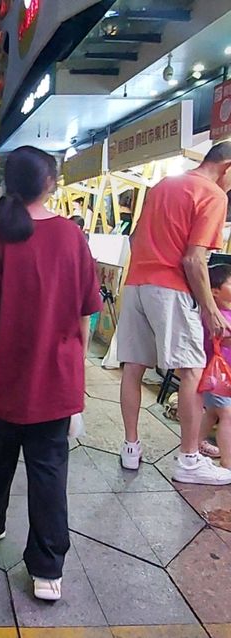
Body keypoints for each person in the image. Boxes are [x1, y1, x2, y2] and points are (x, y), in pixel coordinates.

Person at [0, 146, 100, 602]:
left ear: (9, 185)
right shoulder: (71, 237)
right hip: (55, 376)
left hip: (7, 373)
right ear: (52, 183)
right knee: (48, 471)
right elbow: (85, 313)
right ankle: (47, 571)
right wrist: (73, 359)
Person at [118, 142, 231, 485]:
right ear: (227, 166)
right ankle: (189, 458)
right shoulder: (212, 194)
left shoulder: (164, 185)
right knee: (192, 371)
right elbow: (193, 259)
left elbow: (135, 237)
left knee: (133, 367)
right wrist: (211, 310)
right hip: (171, 288)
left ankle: (131, 448)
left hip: (136, 283)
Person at [199, 264, 231, 467]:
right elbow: (225, 338)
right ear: (215, 291)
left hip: (224, 376)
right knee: (227, 415)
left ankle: (193, 444)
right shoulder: (213, 316)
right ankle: (228, 464)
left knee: (212, 412)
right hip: (214, 375)